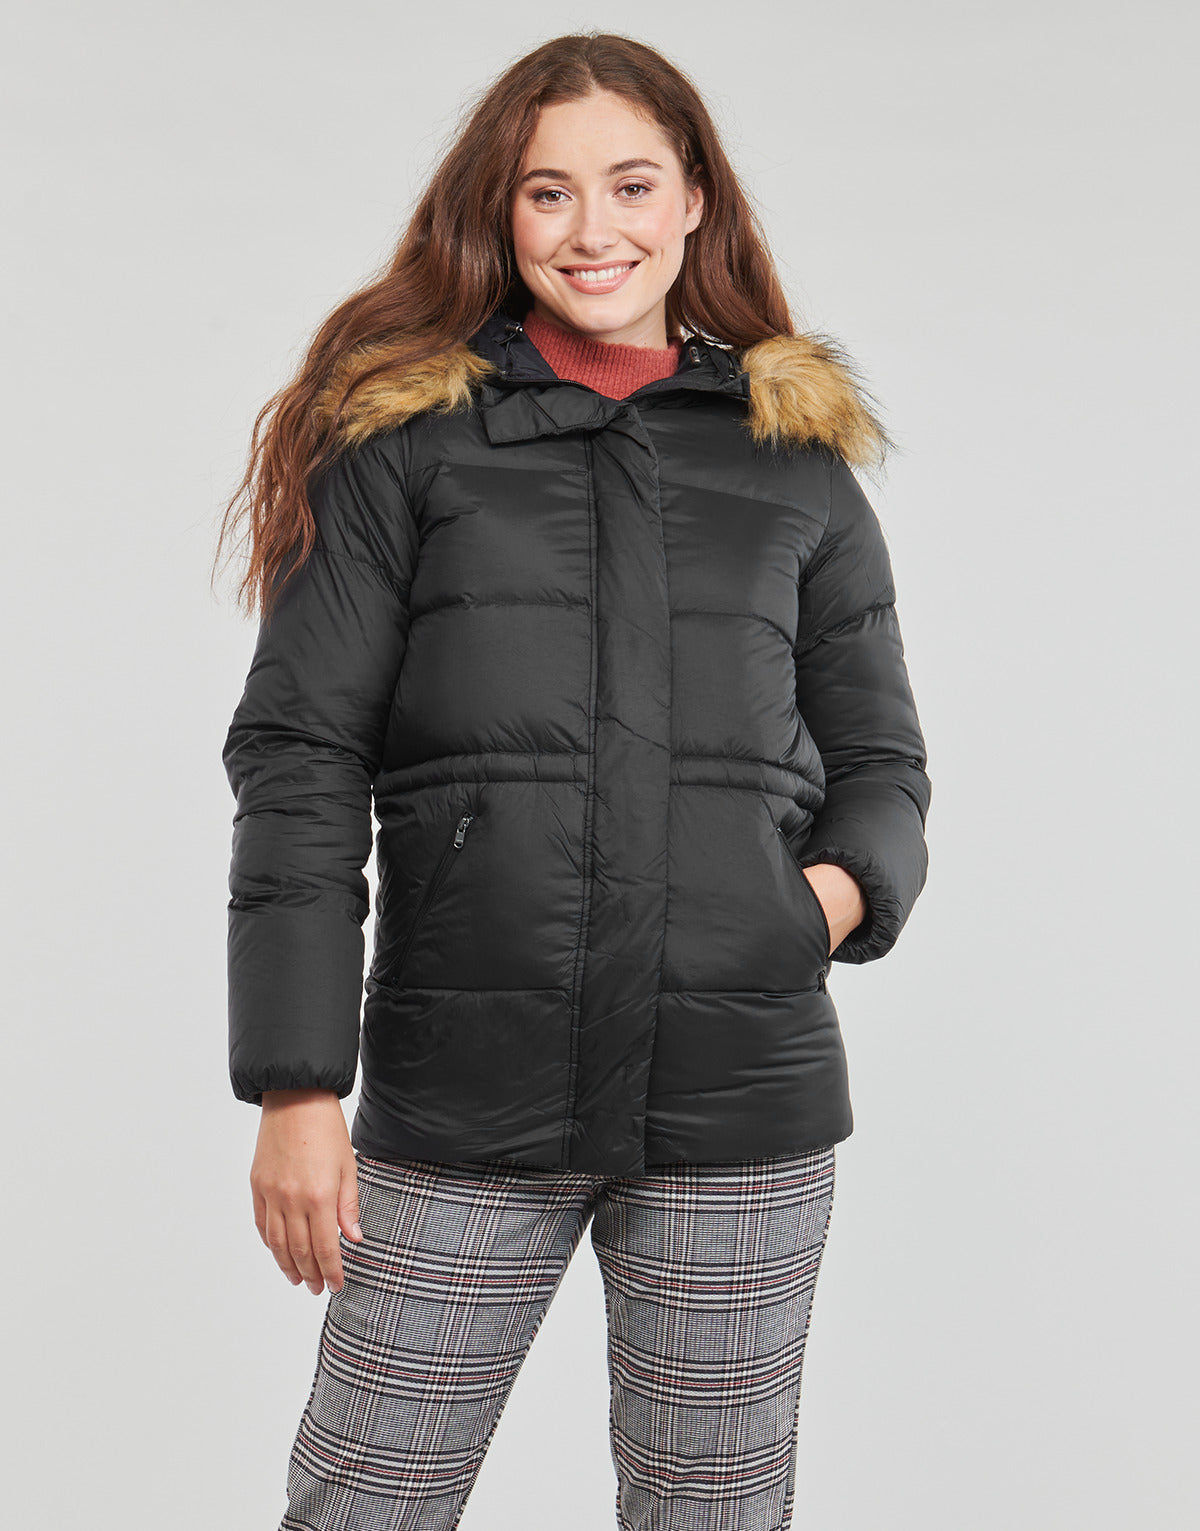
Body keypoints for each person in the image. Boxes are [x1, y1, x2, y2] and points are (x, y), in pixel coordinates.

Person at [214, 31, 932, 1531]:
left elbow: (879, 760)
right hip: (462, 1087)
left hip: (740, 1096)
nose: (592, 229)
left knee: (715, 1512)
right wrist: (297, 1080)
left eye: (630, 185)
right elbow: (301, 758)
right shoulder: (403, 442)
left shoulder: (794, 461)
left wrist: (813, 904)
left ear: (694, 202)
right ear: (502, 211)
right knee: (364, 1504)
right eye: (549, 192)